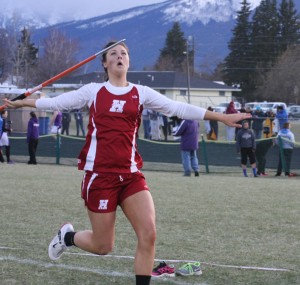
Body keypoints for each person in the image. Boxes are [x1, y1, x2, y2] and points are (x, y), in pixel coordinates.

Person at [3, 41, 251, 285]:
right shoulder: (93, 91)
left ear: (129, 61)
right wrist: (22, 101)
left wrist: (220, 116)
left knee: (149, 234)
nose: (120, 56)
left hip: (131, 176)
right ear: (104, 62)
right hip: (100, 177)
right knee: (103, 246)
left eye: (124, 53)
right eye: (114, 53)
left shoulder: (140, 92)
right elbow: (56, 103)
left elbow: (178, 107)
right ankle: (68, 237)